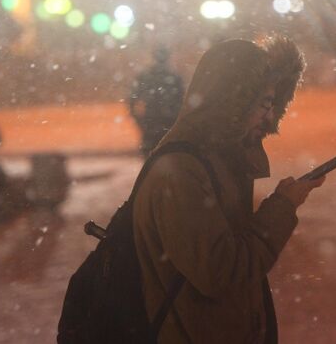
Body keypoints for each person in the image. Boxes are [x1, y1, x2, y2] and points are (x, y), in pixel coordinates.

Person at [132, 37, 325, 343]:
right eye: (264, 104)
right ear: (233, 100)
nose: (271, 117)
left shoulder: (218, 159)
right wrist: (281, 209)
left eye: (274, 104)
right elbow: (223, 272)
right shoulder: (182, 173)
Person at [128, 46, 184, 157]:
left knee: (149, 161)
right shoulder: (174, 78)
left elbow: (132, 99)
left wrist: (138, 119)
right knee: (168, 159)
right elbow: (183, 102)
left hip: (150, 123)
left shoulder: (145, 76)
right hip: (168, 124)